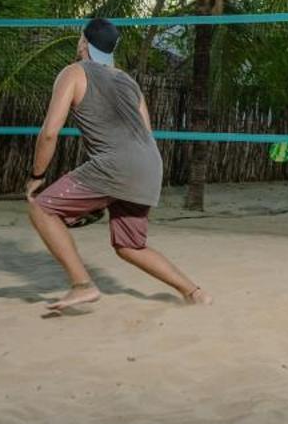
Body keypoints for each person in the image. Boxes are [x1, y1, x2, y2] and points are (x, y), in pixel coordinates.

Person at [25, 17, 209, 313]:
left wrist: (37, 175)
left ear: (83, 42)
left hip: (115, 166)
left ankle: (82, 286)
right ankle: (195, 293)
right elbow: (145, 133)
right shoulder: (128, 81)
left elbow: (48, 133)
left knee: (41, 208)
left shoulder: (73, 73)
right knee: (130, 246)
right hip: (150, 164)